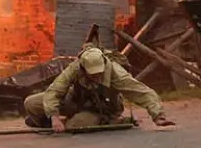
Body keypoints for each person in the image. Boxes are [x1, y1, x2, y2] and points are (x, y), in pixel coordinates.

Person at [23, 40, 176, 132]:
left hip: (100, 109)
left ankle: (118, 121)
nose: (97, 76)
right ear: (83, 68)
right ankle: (49, 124)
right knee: (31, 103)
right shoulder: (76, 67)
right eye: (93, 73)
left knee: (76, 126)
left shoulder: (115, 73)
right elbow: (55, 90)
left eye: (99, 73)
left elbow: (142, 92)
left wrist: (158, 116)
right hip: (76, 101)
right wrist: (54, 117)